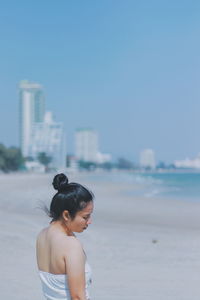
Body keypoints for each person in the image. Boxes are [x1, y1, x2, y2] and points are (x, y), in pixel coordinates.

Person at [36, 173, 94, 300]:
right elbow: (77, 296)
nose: (89, 221)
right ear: (66, 215)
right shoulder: (71, 244)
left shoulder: (42, 236)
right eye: (85, 217)